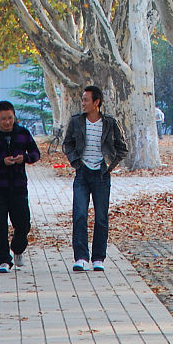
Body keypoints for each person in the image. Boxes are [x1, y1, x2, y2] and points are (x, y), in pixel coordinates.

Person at [64, 85, 127, 273]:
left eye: (86, 100)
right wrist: (76, 162)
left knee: (101, 217)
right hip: (82, 174)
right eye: (82, 100)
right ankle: (81, 258)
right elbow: (67, 144)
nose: (83, 103)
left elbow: (122, 148)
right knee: (80, 215)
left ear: (96, 102)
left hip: (101, 175)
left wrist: (109, 166)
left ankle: (98, 258)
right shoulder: (76, 122)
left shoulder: (110, 123)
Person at [0, 99, 40, 273]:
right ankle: (3, 260)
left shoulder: (23, 133)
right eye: (3, 119)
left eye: (10, 118)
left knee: (23, 223)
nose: (7, 122)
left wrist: (25, 158)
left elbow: (36, 153)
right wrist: (1, 162)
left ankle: (18, 248)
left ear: (14, 117)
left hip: (19, 185)